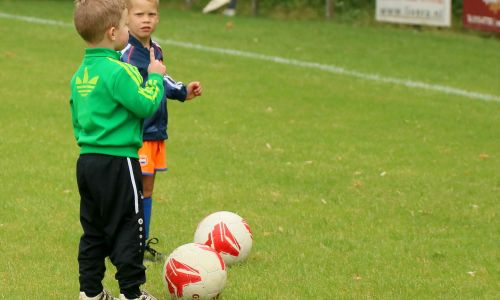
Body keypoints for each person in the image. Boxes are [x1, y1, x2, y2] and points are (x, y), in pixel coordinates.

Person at [70, 0, 166, 299]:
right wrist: (155, 77)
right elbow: (145, 104)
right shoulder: (118, 70)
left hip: (87, 162)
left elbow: (76, 116)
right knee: (129, 226)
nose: (128, 30)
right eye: (126, 26)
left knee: (93, 230)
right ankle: (132, 293)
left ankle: (90, 292)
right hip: (119, 162)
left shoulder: (80, 75)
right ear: (113, 32)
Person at [120, 0, 202, 261]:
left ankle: (141, 243)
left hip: (156, 133)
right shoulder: (127, 55)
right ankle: (126, 243)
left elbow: (161, 79)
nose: (146, 19)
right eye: (139, 14)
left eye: (151, 14)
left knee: (147, 190)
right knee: (132, 189)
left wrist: (182, 91)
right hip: (137, 134)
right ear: (126, 17)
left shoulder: (155, 48)